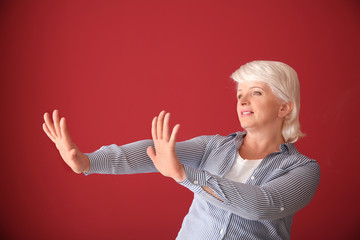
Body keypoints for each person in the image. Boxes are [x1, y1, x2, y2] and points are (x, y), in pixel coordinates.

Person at [42, 60, 320, 240]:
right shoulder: (214, 146)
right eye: (239, 94)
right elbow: (152, 152)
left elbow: (262, 205)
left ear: (284, 107)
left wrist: (185, 175)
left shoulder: (303, 170)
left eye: (256, 92)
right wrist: (88, 161)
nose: (243, 100)